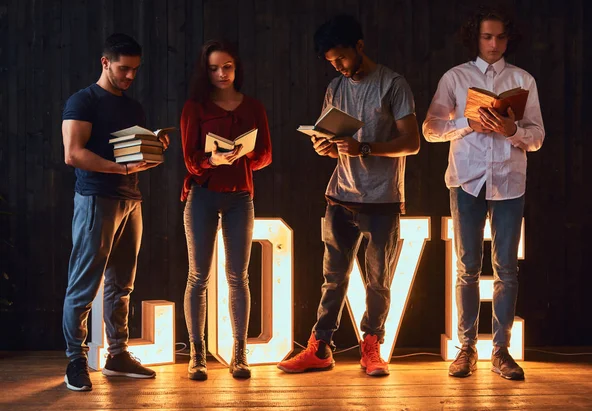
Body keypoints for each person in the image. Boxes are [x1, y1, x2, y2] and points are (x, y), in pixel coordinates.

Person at [277, 14, 420, 377]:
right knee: (333, 277)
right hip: (339, 195)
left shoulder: (393, 84)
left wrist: (365, 149)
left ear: (359, 47)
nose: (338, 67)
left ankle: (371, 347)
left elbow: (413, 143)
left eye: (340, 58)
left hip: (382, 199)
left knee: (377, 281)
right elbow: (334, 138)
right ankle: (321, 347)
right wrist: (327, 147)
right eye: (330, 62)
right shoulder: (336, 88)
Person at [423, 6, 544, 380]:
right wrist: (467, 123)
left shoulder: (523, 80)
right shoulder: (456, 78)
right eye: (487, 37)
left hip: (509, 183)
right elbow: (430, 129)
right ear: (475, 37)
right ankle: (466, 349)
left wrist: (512, 131)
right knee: (467, 268)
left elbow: (537, 137)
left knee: (507, 269)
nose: (493, 44)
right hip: (467, 180)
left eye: (500, 37)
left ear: (509, 38)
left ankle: (502, 351)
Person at [62, 33, 170, 391]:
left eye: (135, 71)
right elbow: (74, 154)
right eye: (124, 69)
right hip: (96, 199)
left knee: (122, 285)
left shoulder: (133, 107)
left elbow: (131, 157)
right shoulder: (83, 101)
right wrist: (121, 169)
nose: (129, 77)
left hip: (130, 200)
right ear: (105, 62)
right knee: (83, 285)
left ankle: (117, 355)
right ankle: (75, 360)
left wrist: (153, 148)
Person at [180, 40, 272, 380]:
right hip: (203, 194)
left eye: (227, 67)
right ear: (206, 71)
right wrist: (212, 159)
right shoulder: (195, 107)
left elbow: (265, 156)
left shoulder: (253, 107)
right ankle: (197, 355)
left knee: (238, 277)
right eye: (215, 68)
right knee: (198, 277)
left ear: (237, 68)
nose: (221, 73)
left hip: (240, 198)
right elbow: (190, 161)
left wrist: (245, 154)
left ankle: (239, 354)